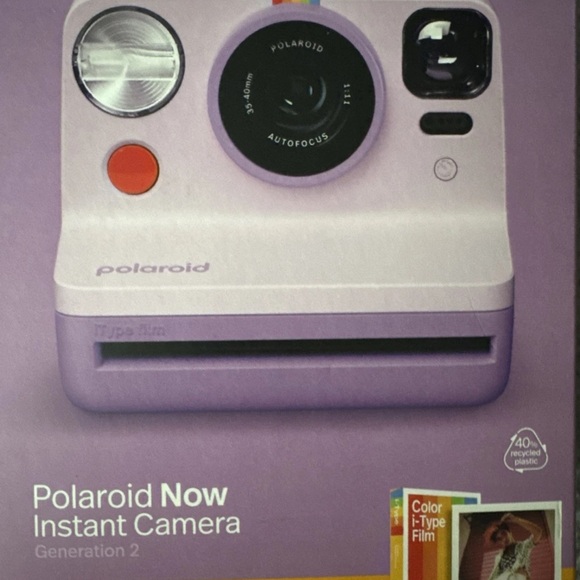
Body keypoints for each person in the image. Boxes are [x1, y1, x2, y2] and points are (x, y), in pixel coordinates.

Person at [485, 512, 543, 580]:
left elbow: (538, 532)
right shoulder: (499, 558)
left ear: (509, 531)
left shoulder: (523, 547)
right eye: (499, 539)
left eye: (504, 533)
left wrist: (515, 519)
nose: (504, 539)